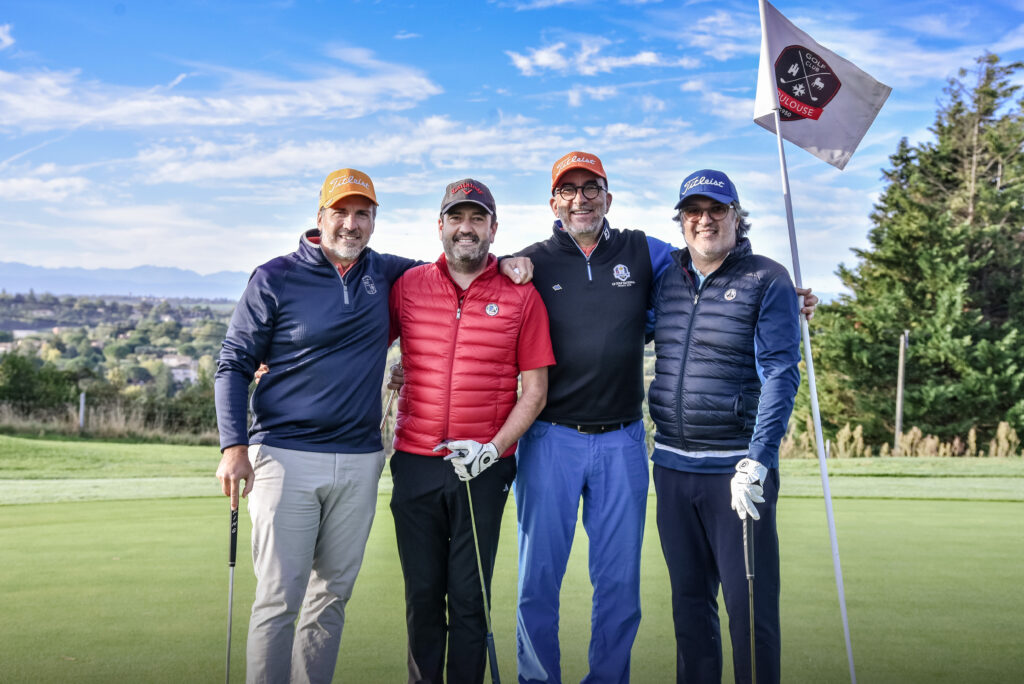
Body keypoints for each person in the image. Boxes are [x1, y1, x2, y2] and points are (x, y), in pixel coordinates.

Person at [214, 168, 530, 684]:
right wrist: (233, 447)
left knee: (330, 597)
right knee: (279, 598)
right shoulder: (275, 276)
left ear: (374, 221)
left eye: (362, 214)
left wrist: (514, 260)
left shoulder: (386, 273)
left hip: (361, 459)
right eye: (340, 212)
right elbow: (233, 363)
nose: (351, 224)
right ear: (320, 217)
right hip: (285, 455)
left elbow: (460, 264)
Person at [512, 152, 817, 684]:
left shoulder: (645, 251)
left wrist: (784, 297)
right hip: (561, 439)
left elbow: (725, 284)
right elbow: (478, 285)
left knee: (622, 587)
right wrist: (501, 265)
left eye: (591, 188)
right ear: (553, 201)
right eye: (569, 190)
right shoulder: (533, 261)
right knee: (543, 582)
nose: (581, 199)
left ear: (608, 196)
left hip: (631, 441)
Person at [387, 178, 555, 684]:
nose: (467, 228)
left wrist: (492, 449)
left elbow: (535, 392)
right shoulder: (408, 286)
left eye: (477, 218)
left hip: (483, 468)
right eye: (457, 217)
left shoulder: (522, 295)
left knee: (468, 597)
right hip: (415, 463)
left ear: (493, 229)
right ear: (439, 225)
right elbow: (354, 341)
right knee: (421, 596)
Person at [647, 169, 801, 684]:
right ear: (681, 220)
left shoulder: (767, 278)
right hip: (672, 469)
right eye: (693, 211)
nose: (705, 220)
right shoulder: (667, 278)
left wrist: (759, 459)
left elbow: (780, 373)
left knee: (750, 613)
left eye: (717, 209)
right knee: (690, 612)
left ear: (736, 216)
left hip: (737, 474)